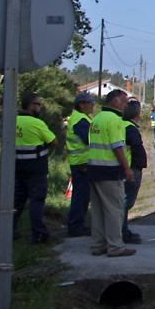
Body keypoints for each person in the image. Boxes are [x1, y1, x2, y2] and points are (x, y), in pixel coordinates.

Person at [86, 89, 136, 257]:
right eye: (124, 101)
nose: (126, 105)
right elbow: (117, 147)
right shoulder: (115, 120)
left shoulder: (97, 118)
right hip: (110, 171)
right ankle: (115, 246)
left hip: (94, 168)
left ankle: (98, 245)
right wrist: (127, 168)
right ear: (114, 101)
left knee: (98, 210)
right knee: (114, 210)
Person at [15, 92, 58, 243]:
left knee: (17, 200)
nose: (40, 107)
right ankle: (38, 233)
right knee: (36, 201)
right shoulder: (37, 123)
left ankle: (9, 230)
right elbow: (54, 141)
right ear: (31, 105)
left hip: (16, 167)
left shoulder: (13, 121)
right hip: (36, 168)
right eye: (38, 104)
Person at [65, 91, 95, 237]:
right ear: (82, 105)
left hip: (79, 162)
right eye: (90, 103)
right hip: (82, 163)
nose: (93, 105)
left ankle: (77, 225)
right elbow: (89, 139)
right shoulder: (81, 120)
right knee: (81, 197)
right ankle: (76, 227)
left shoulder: (80, 118)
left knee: (82, 195)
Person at [121, 100, 147, 244]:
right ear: (137, 114)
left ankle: (123, 230)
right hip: (131, 169)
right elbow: (136, 148)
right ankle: (123, 232)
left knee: (123, 202)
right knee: (126, 202)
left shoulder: (122, 125)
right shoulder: (130, 128)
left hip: (126, 168)